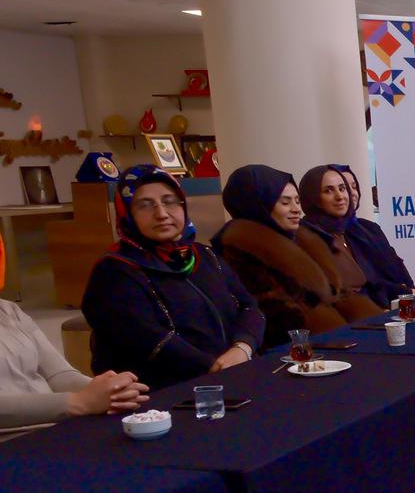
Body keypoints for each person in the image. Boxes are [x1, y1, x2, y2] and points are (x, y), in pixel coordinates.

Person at [81, 165, 267, 391]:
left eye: (170, 202)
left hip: (232, 375)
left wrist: (242, 348)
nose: (161, 214)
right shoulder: (115, 270)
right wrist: (217, 368)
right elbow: (148, 339)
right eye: (145, 205)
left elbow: (249, 308)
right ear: (127, 212)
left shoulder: (204, 256)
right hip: (161, 394)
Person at [214, 164, 384, 345]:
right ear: (259, 206)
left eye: (297, 201)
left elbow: (337, 293)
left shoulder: (303, 239)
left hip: (335, 340)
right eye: (285, 202)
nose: (296, 209)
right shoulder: (239, 251)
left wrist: (371, 322)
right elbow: (275, 314)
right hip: (294, 348)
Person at [1, 300, 148, 440]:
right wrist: (77, 402)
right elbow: (79, 402)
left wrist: (110, 391)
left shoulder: (8, 309)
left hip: (56, 426)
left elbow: (58, 374)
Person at [307, 163, 414, 306]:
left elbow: (395, 265)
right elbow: (367, 282)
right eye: (329, 190)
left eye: (350, 187)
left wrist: (410, 292)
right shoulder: (313, 235)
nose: (347, 194)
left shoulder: (368, 228)